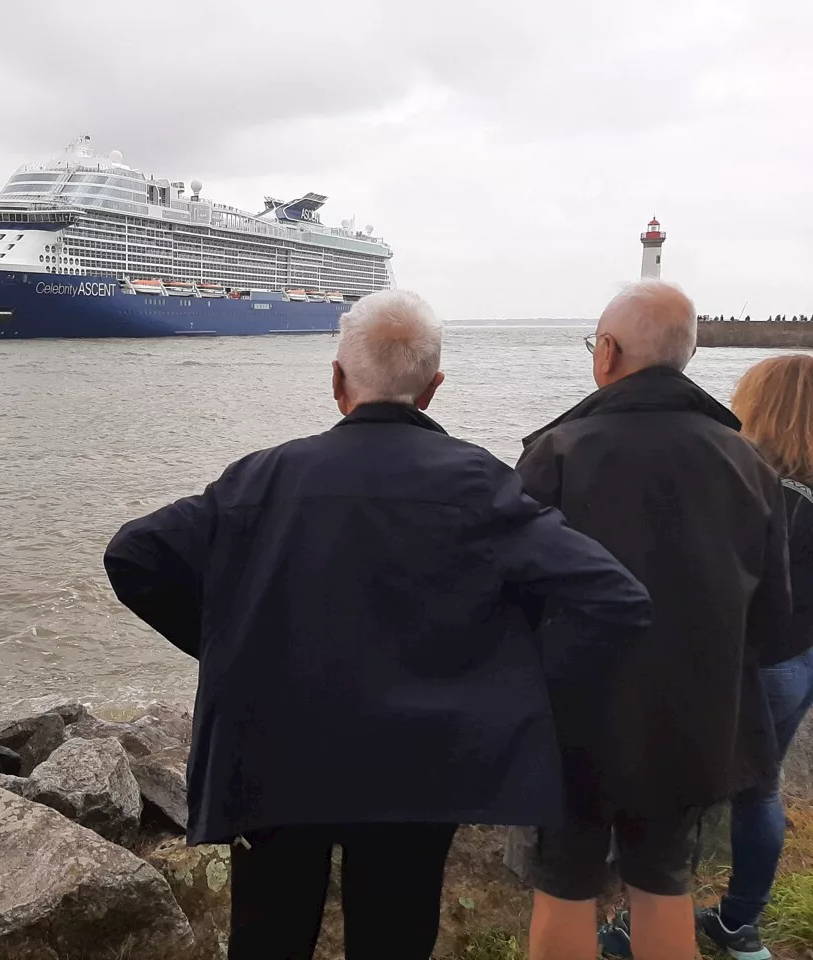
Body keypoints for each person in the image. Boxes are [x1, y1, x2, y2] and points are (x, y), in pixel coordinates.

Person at [105, 290, 653, 960]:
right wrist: (516, 684)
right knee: (394, 939)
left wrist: (228, 650)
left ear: (337, 381)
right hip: (420, 766)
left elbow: (134, 555)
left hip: (275, 751)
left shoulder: (260, 478)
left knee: (267, 939)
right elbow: (616, 599)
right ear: (433, 389)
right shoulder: (480, 485)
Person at [517, 280, 798, 960]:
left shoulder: (557, 453)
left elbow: (512, 598)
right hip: (693, 718)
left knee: (565, 884)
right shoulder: (748, 463)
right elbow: (775, 621)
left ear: (607, 352)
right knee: (664, 883)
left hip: (574, 718)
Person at [695, 355, 813, 960]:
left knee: (695, 785)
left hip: (755, 659)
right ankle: (739, 922)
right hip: (801, 659)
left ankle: (658, 920)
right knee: (760, 789)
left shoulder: (762, 486)